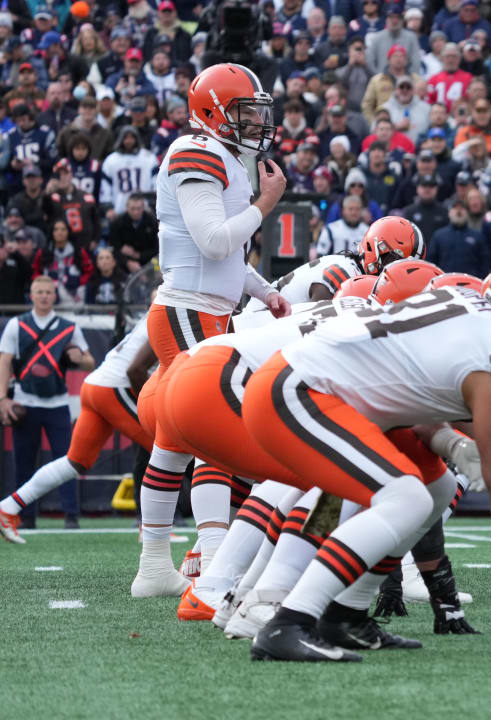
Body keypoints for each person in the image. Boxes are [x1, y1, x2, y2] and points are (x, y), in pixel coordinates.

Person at [244, 249, 491, 662]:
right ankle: (289, 621)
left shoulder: (466, 302)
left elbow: (408, 384)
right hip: (300, 390)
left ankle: (346, 615)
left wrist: (451, 444)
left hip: (305, 385)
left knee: (436, 486)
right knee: (407, 497)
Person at [130, 63, 291, 599]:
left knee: (178, 440)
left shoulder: (224, 158)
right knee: (209, 430)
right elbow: (213, 242)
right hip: (185, 310)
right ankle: (211, 554)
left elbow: (229, 259)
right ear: (213, 111)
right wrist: (265, 207)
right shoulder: (194, 152)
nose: (256, 122)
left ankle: (158, 565)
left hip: (207, 310)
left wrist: (264, 290)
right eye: (245, 111)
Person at [0, 317, 155, 543]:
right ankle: (155, 529)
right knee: (168, 452)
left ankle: (7, 507)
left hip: (97, 384)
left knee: (75, 461)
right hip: (116, 386)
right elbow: (136, 371)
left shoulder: (170, 308)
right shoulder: (180, 310)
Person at [0, 276, 97, 532]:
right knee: (23, 463)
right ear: (31, 295)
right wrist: (2, 399)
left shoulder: (68, 326)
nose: (44, 296)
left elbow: (90, 362)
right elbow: (5, 362)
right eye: (39, 292)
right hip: (25, 402)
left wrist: (80, 358)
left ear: (54, 296)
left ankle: (71, 516)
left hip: (57, 403)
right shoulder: (16, 325)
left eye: (48, 292)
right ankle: (24, 517)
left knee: (67, 461)